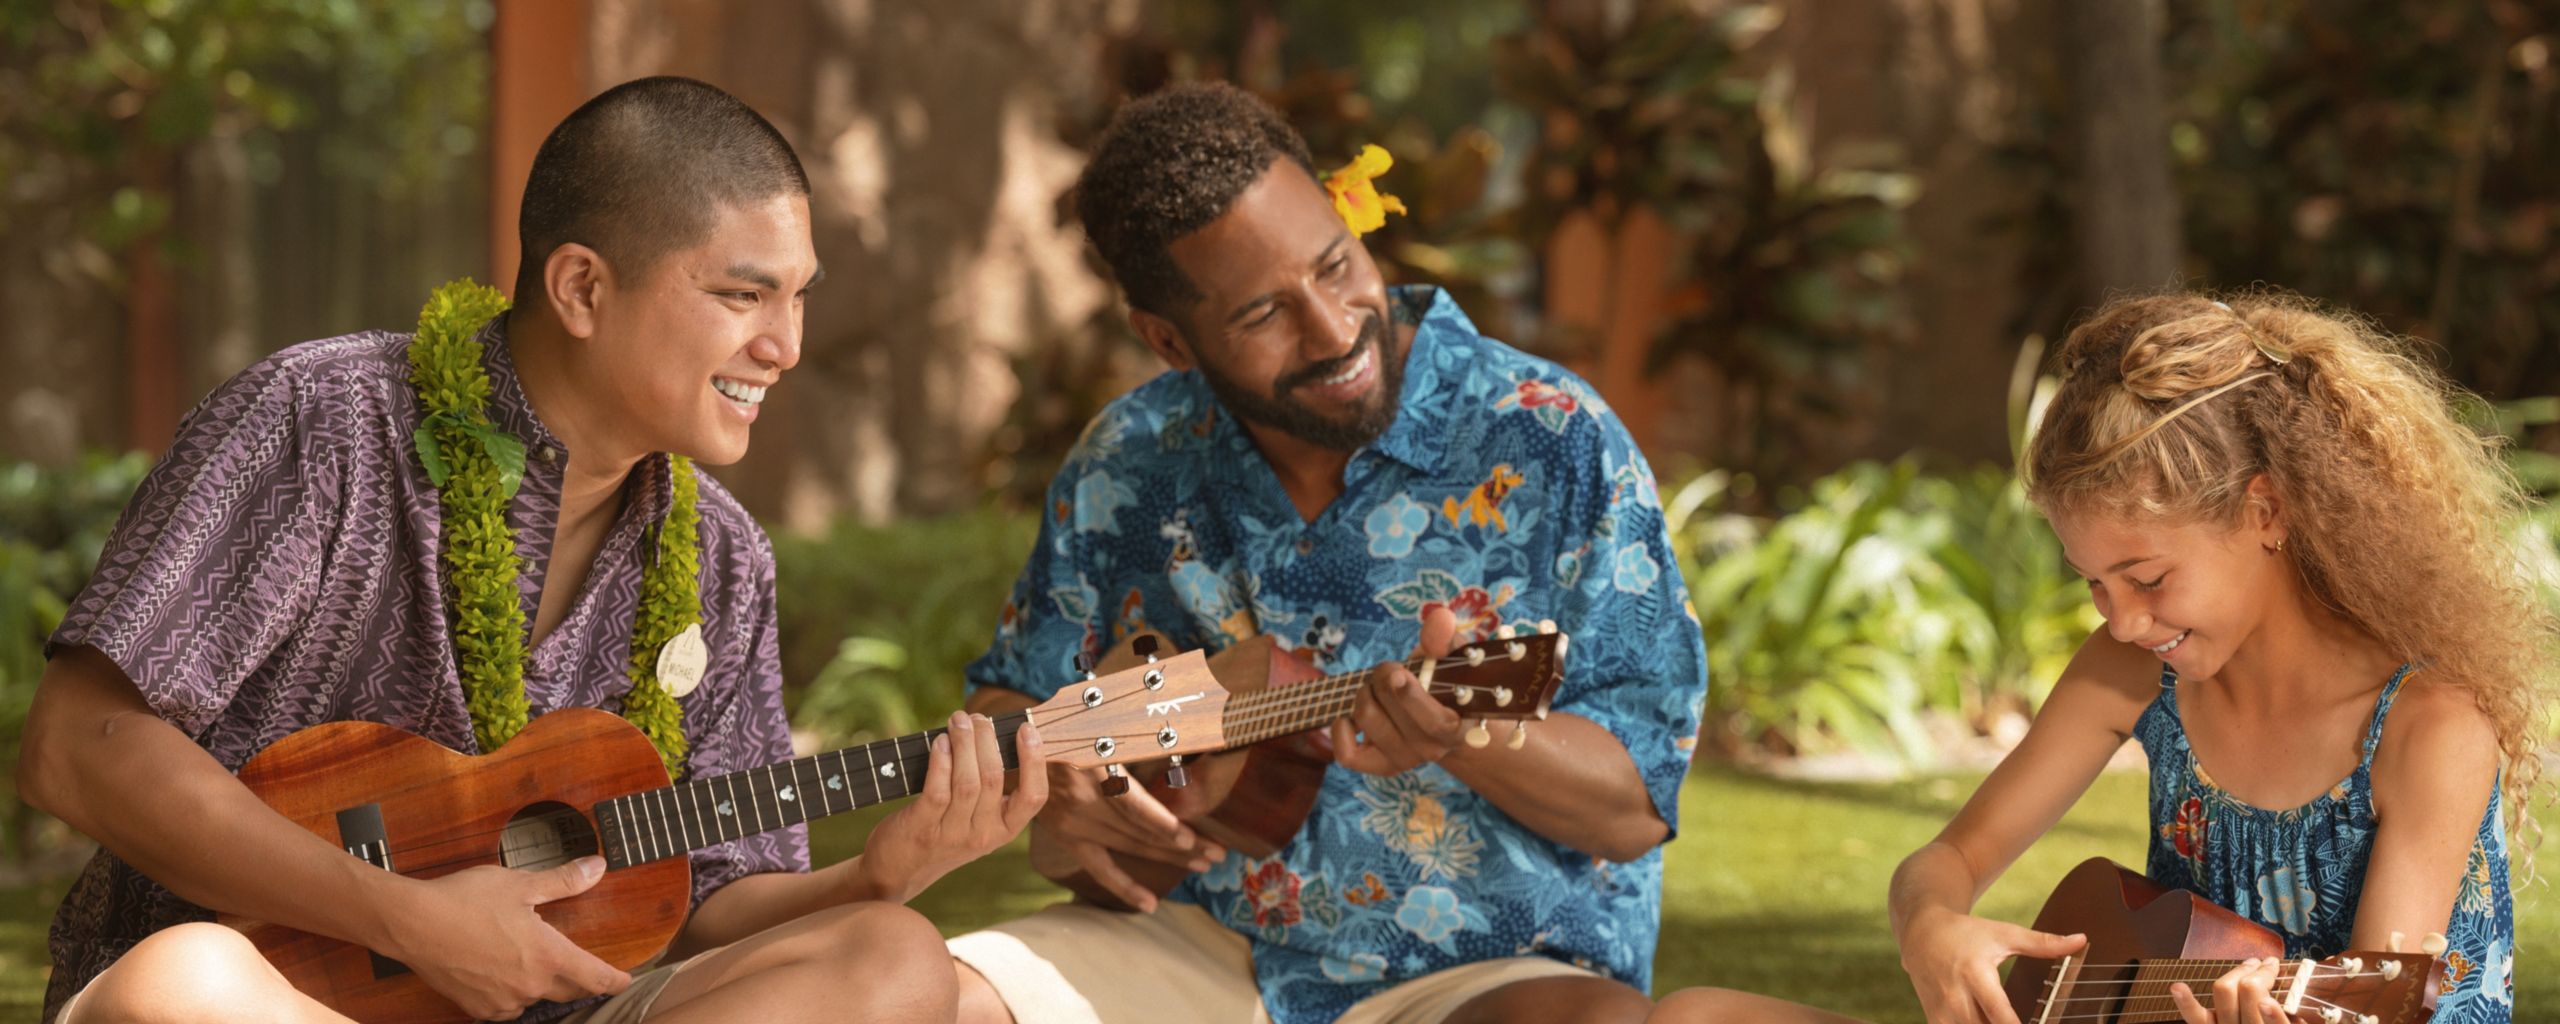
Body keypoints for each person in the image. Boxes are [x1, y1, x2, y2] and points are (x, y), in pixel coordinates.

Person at [18, 76, 1045, 1024]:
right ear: (583, 289)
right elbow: (75, 746)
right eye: (743, 295)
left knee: (889, 955)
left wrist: (878, 872)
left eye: (799, 294)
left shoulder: (723, 558)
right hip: (265, 996)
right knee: (185, 982)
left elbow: (710, 900)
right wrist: (404, 918)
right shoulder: (322, 426)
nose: (787, 344)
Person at [943, 81, 1709, 1024]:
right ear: (1168, 340)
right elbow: (1008, 697)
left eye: (1337, 265)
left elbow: (1634, 807)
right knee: (912, 994)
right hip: (1179, 936)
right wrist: (1058, 791)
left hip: (1486, 968)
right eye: (1264, 315)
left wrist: (1461, 734)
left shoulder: (1551, 438)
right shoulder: (1129, 457)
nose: (1337, 326)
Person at [1867, 293, 2537, 1024]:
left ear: (2266, 513)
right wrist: (1928, 925)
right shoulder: (2134, 672)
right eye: (2093, 581)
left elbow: (2381, 997)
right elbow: (1948, 861)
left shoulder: (2430, 725)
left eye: (2148, 579)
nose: (2122, 621)